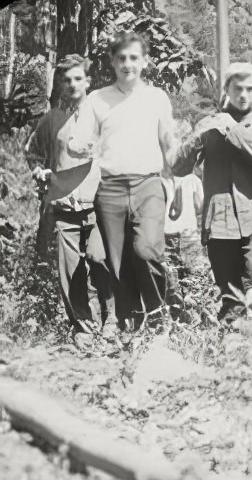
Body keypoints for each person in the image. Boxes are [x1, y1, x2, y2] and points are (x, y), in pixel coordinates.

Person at [68, 31, 178, 332]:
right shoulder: (97, 99)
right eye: (121, 58)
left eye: (133, 58)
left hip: (148, 185)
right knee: (116, 262)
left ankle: (158, 313)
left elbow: (169, 142)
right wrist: (79, 146)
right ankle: (131, 323)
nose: (127, 64)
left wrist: (176, 174)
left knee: (146, 250)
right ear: (113, 62)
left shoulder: (156, 98)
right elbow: (77, 140)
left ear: (144, 61)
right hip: (111, 189)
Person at [173, 62, 252, 321]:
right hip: (220, 220)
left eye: (249, 89)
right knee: (228, 287)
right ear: (227, 90)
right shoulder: (211, 124)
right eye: (237, 88)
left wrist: (230, 128)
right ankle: (233, 340)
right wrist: (198, 134)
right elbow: (178, 167)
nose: (243, 95)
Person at [24, 55, 115, 347]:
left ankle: (112, 319)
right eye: (66, 79)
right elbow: (32, 151)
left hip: (99, 203)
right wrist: (39, 171)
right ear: (59, 85)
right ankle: (84, 328)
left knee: (100, 259)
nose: (72, 84)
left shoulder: (103, 116)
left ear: (88, 82)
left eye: (78, 78)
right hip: (64, 207)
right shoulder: (51, 121)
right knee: (69, 271)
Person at [162, 173, 204, 320]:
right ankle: (195, 318)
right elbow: (200, 207)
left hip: (166, 234)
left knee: (171, 284)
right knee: (194, 279)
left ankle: (177, 319)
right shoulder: (192, 180)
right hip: (189, 232)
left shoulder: (158, 179)